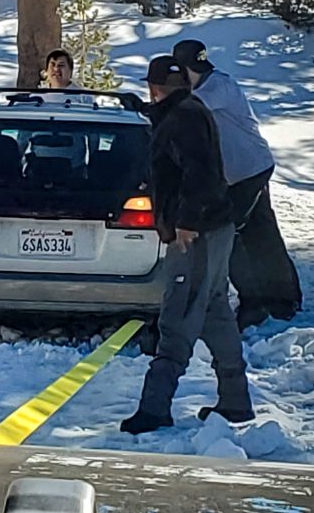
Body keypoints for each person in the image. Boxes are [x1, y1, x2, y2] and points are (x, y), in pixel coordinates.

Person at [120, 55, 254, 436]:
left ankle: (154, 408)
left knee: (177, 316)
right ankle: (235, 399)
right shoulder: (183, 111)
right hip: (214, 227)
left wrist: (185, 223)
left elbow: (201, 173)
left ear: (155, 87)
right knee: (214, 311)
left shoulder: (183, 119)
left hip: (196, 232)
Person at [172, 38, 302, 330]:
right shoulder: (204, 89)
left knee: (227, 235)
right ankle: (284, 299)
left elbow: (188, 112)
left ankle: (256, 302)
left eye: (189, 71)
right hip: (245, 171)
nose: (189, 76)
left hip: (248, 172)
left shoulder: (218, 86)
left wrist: (150, 106)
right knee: (261, 233)